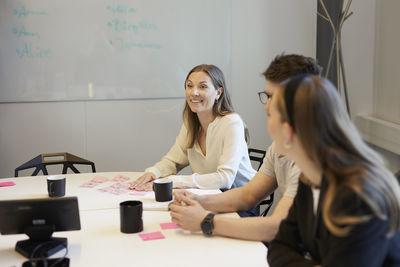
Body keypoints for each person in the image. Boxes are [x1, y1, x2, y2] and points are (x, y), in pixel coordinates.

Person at [169, 54, 322, 241]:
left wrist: (206, 220)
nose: (267, 105)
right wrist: (198, 200)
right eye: (266, 96)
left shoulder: (312, 154)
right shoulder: (278, 147)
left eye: (273, 96)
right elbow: (249, 195)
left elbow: (277, 227)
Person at [267, 75, 400, 266]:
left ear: (288, 131)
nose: (267, 120)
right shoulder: (309, 180)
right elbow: (278, 248)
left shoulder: (358, 196)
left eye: (270, 115)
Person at [129, 64, 256, 191]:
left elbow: (225, 179)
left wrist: (172, 181)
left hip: (242, 201)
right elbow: (173, 161)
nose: (193, 93)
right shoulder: (191, 124)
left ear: (218, 93)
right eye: (189, 86)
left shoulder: (232, 123)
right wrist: (154, 173)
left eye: (202, 87)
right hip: (210, 196)